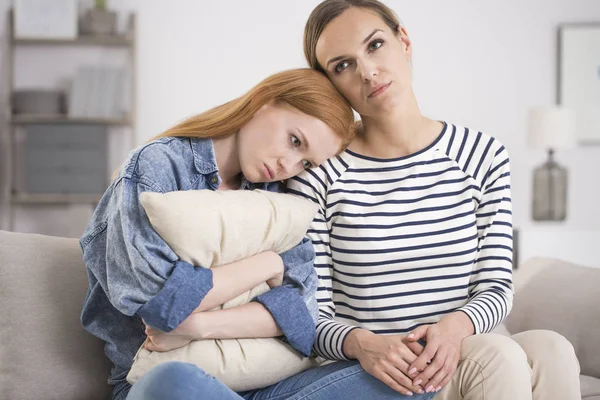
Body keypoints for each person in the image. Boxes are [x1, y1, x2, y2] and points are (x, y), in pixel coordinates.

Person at [287, 1, 582, 399]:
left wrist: (456, 326)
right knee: (499, 355)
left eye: (374, 45)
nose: (367, 72)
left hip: (467, 341)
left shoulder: (482, 154)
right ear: (331, 83)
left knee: (553, 348)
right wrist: (361, 343)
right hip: (389, 368)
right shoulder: (320, 172)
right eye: (343, 65)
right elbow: (310, 314)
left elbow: (496, 284)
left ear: (403, 41)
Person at [80, 68, 365, 400]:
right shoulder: (158, 167)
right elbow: (158, 304)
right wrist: (267, 264)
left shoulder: (278, 196)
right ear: (264, 102)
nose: (288, 164)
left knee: (398, 376)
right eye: (294, 140)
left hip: (264, 386)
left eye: (306, 163)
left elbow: (302, 321)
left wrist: (198, 326)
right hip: (169, 386)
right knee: (170, 380)